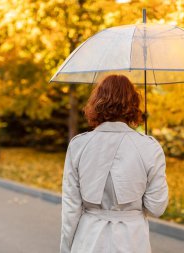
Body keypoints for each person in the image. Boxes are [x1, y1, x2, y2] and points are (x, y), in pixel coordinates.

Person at [60, 74, 169, 253]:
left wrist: (65, 249)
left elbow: (71, 208)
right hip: (133, 242)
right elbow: (156, 207)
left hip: (89, 241)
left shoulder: (79, 145)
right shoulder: (149, 147)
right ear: (133, 103)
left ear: (96, 102)